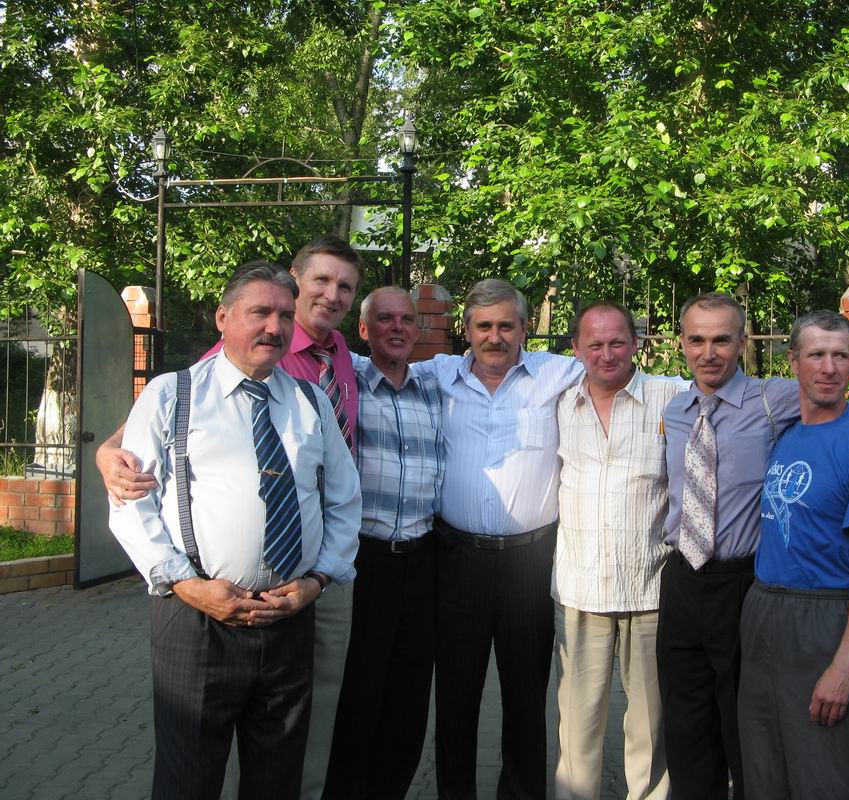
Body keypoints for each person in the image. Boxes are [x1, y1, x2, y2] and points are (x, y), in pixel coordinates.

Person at [98, 235, 363, 800]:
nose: (274, 327)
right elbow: (131, 504)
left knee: (276, 780)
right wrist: (187, 584)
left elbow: (345, 500)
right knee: (188, 780)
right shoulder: (172, 395)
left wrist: (318, 581)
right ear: (223, 318)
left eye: (284, 315)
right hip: (196, 619)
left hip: (288, 618)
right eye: (259, 313)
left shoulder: (311, 400)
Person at [657, 293, 849, 800]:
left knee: (757, 740)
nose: (709, 352)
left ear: (743, 343)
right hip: (686, 581)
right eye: (697, 340)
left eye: (722, 340)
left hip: (744, 581)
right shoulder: (673, 406)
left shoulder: (772, 400)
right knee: (690, 733)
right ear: (681, 344)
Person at [407, 278, 584, 800]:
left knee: (526, 697)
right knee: (455, 695)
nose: (494, 336)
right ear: (465, 330)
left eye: (506, 325)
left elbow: (619, 369)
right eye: (483, 326)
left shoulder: (557, 373)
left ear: (525, 329)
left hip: (529, 563)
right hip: (456, 560)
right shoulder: (436, 375)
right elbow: (369, 370)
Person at [737, 311, 849, 799]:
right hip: (764, 613)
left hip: (826, 619)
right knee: (765, 772)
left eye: (840, 355)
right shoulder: (784, 431)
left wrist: (845, 665)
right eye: (816, 355)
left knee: (828, 776)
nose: (828, 367)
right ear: (793, 361)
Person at [322, 286, 444, 800]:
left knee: (409, 695)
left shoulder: (436, 386)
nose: (397, 328)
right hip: (363, 561)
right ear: (363, 329)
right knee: (357, 691)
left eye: (406, 320)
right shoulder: (343, 379)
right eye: (385, 319)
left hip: (422, 560)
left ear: (418, 329)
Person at [553, 302, 677, 800]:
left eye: (617, 342)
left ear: (636, 343)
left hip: (650, 590)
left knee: (650, 728)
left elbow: (757, 402)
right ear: (576, 349)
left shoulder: (672, 396)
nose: (607, 354)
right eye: (595, 344)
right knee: (577, 730)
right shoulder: (558, 403)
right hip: (580, 591)